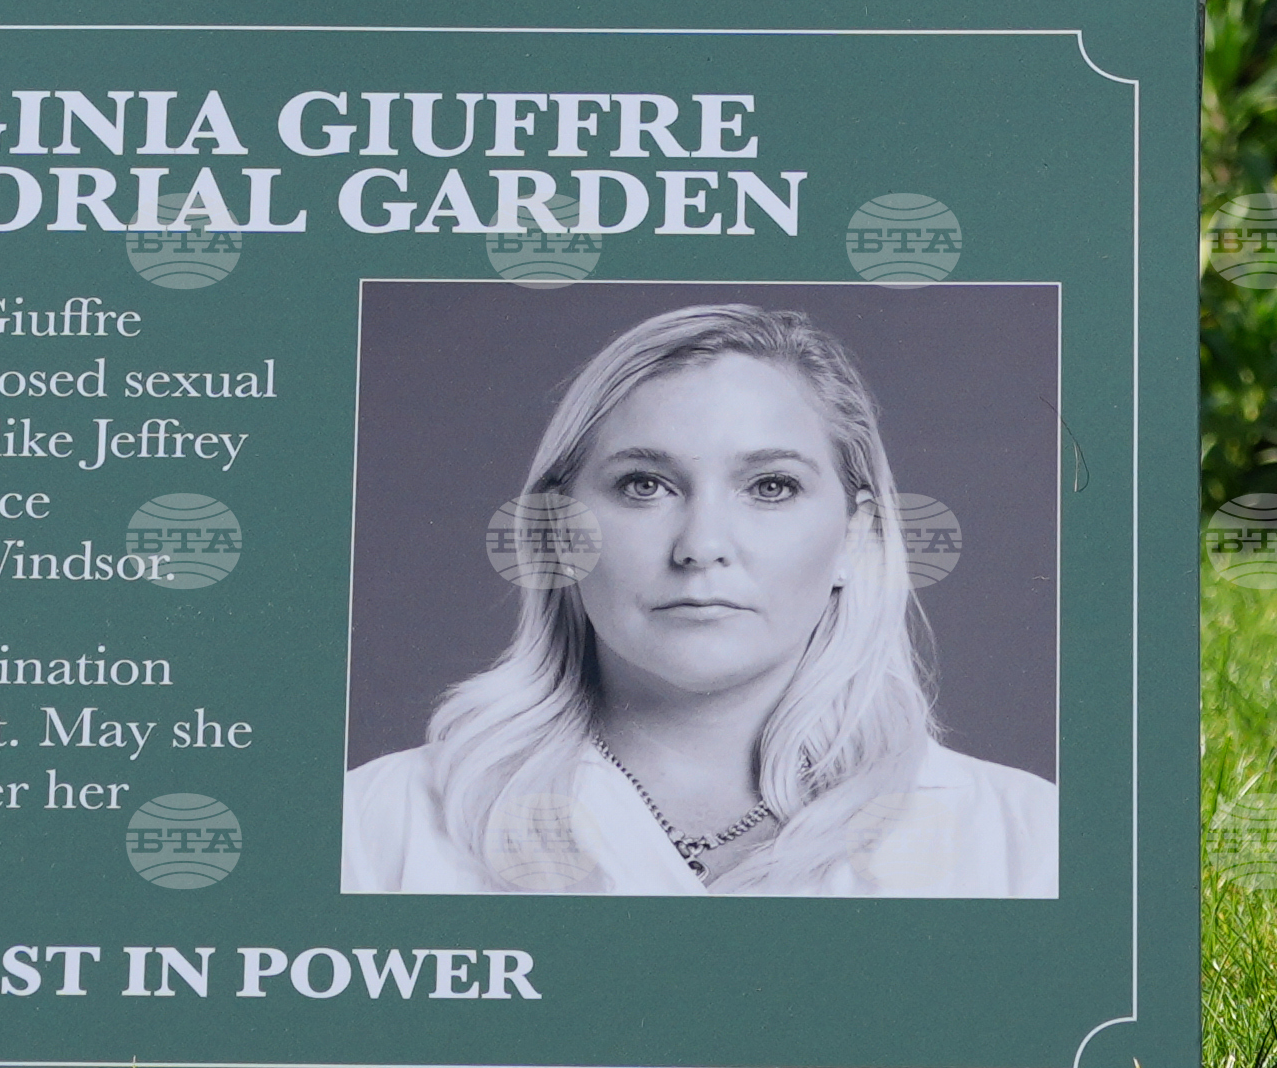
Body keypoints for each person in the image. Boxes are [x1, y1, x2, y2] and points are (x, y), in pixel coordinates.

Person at [339, 297, 1054, 897]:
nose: (701, 544)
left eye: (770, 486)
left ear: (855, 537)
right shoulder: (380, 822)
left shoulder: (1026, 837)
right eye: (643, 485)